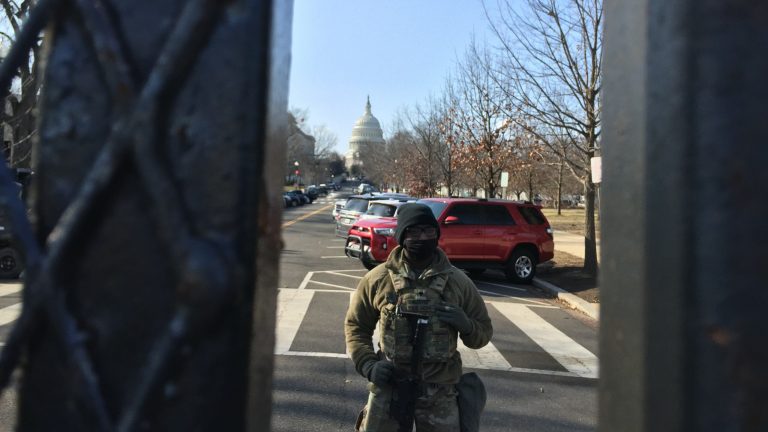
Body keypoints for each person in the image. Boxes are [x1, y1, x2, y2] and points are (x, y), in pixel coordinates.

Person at [345, 203, 493, 431]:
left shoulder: (458, 282)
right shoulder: (378, 279)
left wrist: (466, 325)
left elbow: (481, 335)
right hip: (391, 385)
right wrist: (369, 365)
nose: (422, 237)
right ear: (402, 236)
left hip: (440, 390)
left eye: (428, 231)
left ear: (437, 234)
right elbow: (356, 326)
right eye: (414, 232)